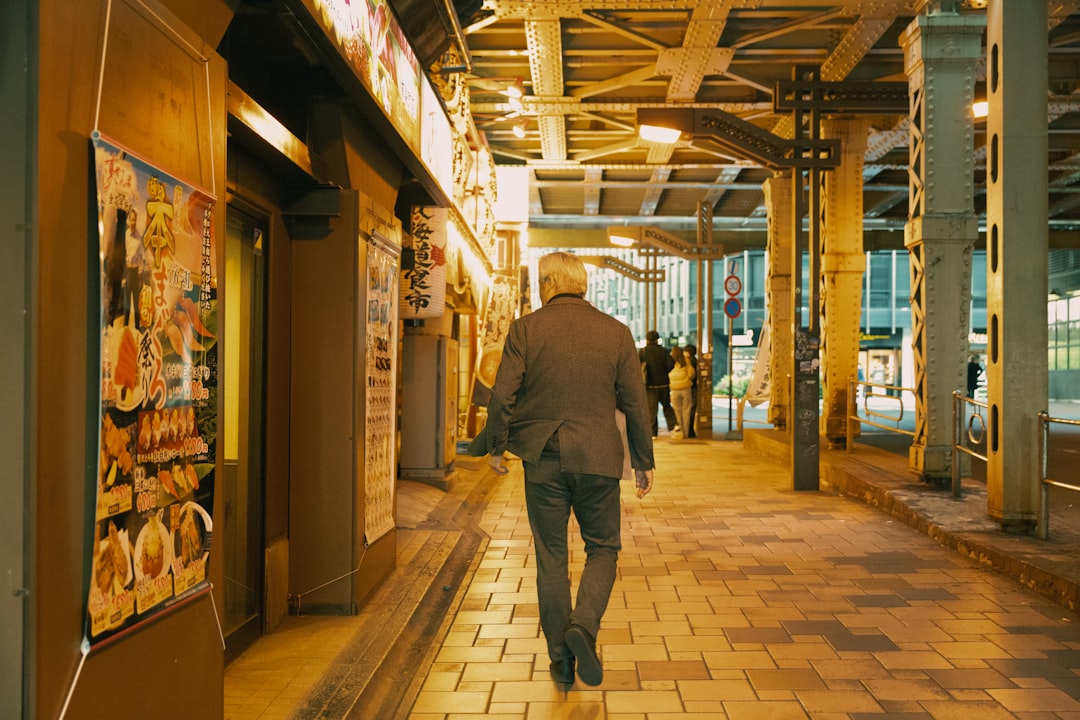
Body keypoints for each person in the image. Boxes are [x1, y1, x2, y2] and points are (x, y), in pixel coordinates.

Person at [484, 252, 655, 688]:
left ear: (546, 283)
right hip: (599, 456)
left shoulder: (525, 329)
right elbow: (636, 403)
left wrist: (495, 448)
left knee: (551, 556)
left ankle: (560, 657)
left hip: (543, 457)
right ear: (581, 284)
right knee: (603, 548)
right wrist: (642, 461)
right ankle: (585, 625)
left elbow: (503, 394)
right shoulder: (616, 333)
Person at [639, 330, 677, 436]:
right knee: (667, 405)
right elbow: (670, 364)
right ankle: (673, 426)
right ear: (657, 339)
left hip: (650, 385)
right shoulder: (663, 351)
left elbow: (637, 366)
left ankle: (653, 433)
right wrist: (663, 372)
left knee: (651, 409)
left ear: (647, 339)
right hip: (663, 384)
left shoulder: (643, 352)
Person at [668, 346, 695, 439]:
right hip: (685, 388)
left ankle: (680, 432)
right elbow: (691, 373)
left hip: (674, 389)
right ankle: (686, 434)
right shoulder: (686, 361)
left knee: (677, 411)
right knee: (686, 411)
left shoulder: (670, 361)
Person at [684, 344, 698, 438]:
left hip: (689, 388)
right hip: (693, 388)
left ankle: (688, 431)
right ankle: (690, 431)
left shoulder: (689, 361)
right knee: (690, 409)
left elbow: (691, 375)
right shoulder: (695, 360)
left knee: (689, 410)